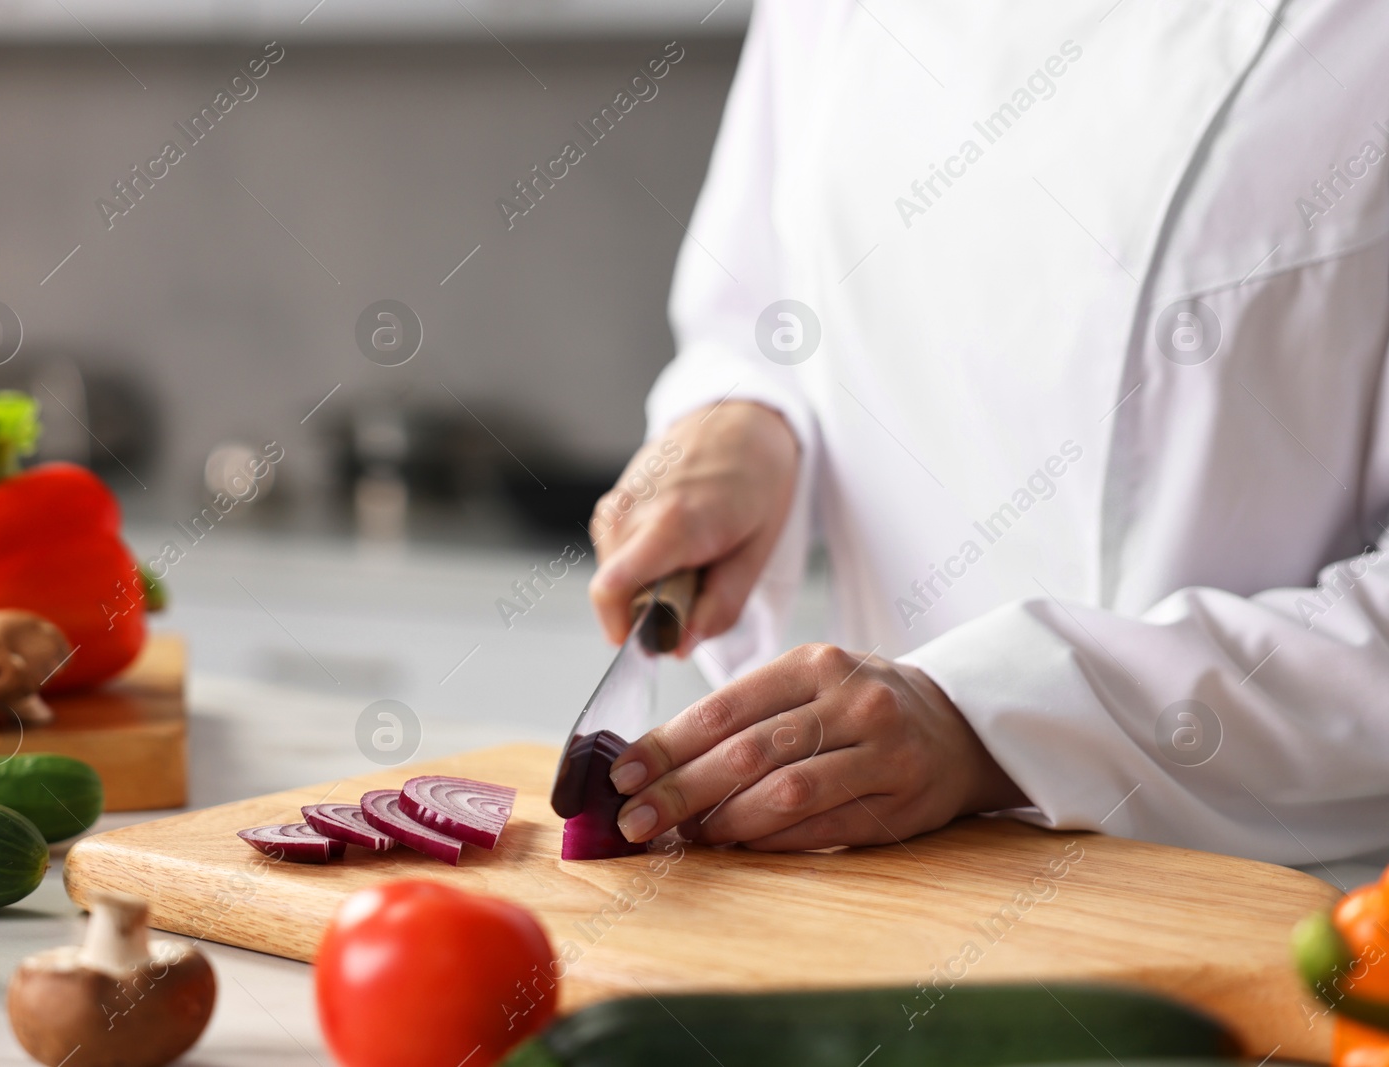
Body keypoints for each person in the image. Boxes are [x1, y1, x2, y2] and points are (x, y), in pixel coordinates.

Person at [588, 0, 1389, 871]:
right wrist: (743, 419)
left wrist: (994, 717)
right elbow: (759, 304)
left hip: (1294, 908)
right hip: (897, 870)